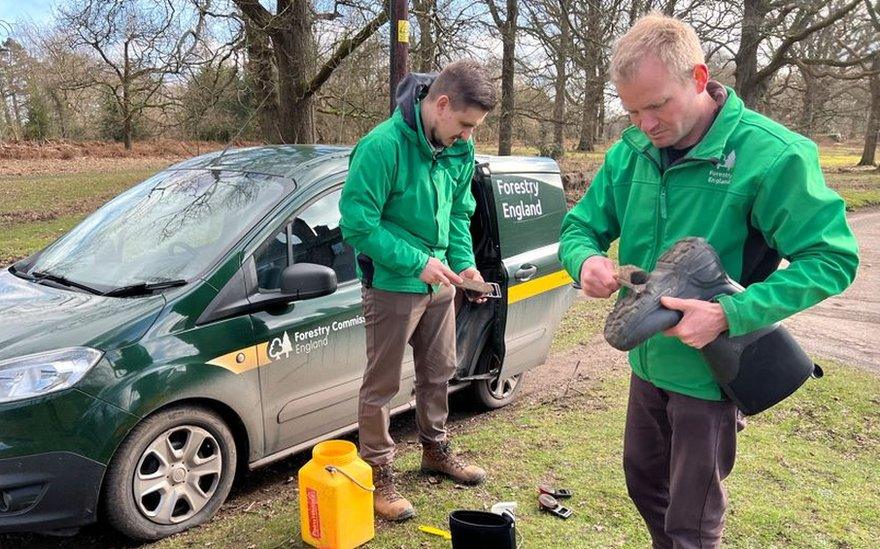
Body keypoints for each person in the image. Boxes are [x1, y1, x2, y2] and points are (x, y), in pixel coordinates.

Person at [559, 13, 859, 548]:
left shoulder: (772, 155)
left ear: (698, 78)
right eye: (631, 111)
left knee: (691, 524)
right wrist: (584, 260)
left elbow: (832, 260)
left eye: (656, 105)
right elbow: (580, 225)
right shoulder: (631, 152)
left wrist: (727, 314)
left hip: (710, 373)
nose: (645, 124)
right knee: (644, 485)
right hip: (647, 363)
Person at [338, 59, 498, 521]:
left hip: (442, 279)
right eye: (465, 125)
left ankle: (435, 449)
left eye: (474, 129)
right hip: (392, 284)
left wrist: (464, 266)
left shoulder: (458, 149)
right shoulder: (380, 147)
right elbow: (357, 225)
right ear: (441, 104)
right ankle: (378, 473)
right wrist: (416, 262)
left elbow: (459, 214)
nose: (468, 136)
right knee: (381, 385)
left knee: (439, 370)